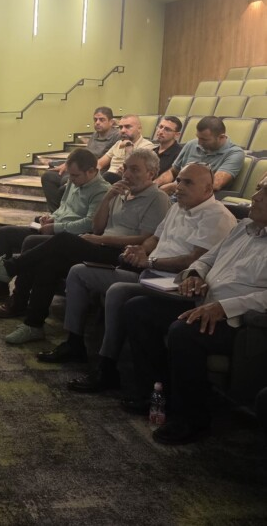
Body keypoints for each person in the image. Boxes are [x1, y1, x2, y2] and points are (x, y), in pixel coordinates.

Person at [39, 163, 236, 394]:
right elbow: (155, 238)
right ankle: (74, 344)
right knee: (79, 273)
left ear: (208, 189)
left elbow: (194, 261)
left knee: (117, 291)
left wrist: (150, 261)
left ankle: (107, 367)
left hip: (175, 283)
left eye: (188, 182)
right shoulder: (178, 207)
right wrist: (141, 249)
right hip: (148, 273)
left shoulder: (217, 217)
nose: (179, 186)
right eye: (179, 180)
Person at [121, 173, 267, 444]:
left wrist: (224, 306)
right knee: (137, 309)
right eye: (258, 188)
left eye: (265, 193)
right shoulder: (244, 227)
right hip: (202, 303)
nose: (256, 197)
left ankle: (192, 419)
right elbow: (206, 259)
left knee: (183, 332)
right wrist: (194, 274)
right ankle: (156, 394)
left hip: (241, 322)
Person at [0, 149, 170, 343]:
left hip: (122, 254)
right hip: (101, 245)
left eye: (135, 170)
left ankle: (9, 268)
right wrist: (109, 197)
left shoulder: (158, 198)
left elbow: (145, 239)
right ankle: (33, 325)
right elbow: (98, 227)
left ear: (151, 173)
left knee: (63, 239)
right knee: (49, 263)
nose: (126, 174)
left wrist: (101, 240)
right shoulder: (120, 193)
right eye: (125, 168)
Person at [0, 148, 109, 302]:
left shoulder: (101, 191)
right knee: (4, 233)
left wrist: (55, 227)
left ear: (91, 171)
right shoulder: (74, 181)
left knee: (30, 242)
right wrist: (50, 218)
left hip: (70, 236)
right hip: (57, 227)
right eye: (70, 174)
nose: (71, 179)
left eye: (75, 175)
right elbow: (63, 207)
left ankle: (18, 299)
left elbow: (89, 224)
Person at [41, 107, 119, 211]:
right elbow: (84, 155)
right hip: (81, 168)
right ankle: (56, 212)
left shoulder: (116, 136)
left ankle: (67, 213)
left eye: (102, 120)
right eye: (95, 120)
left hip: (96, 172)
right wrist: (67, 164)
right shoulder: (95, 135)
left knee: (66, 180)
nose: (97, 122)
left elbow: (102, 162)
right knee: (48, 177)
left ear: (111, 122)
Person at [156, 116, 245, 196]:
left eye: (204, 140)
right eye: (198, 137)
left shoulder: (234, 153)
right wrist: (154, 185)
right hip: (176, 196)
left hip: (200, 201)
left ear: (221, 137)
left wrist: (175, 186)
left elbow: (215, 184)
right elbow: (173, 172)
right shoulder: (191, 144)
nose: (199, 143)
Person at [97, 114, 156, 184]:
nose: (123, 130)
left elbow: (132, 170)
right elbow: (100, 164)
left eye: (128, 127)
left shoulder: (147, 146)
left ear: (139, 129)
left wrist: (129, 147)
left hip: (126, 182)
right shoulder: (118, 143)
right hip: (108, 180)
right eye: (120, 127)